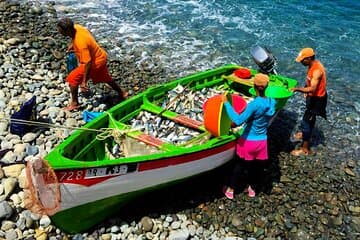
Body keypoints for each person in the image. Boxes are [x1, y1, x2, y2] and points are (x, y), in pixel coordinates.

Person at [221, 73, 276, 199]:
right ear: (266, 86)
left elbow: (238, 120)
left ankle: (230, 189)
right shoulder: (272, 102)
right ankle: (252, 188)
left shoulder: (254, 104)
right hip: (262, 142)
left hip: (248, 142)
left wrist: (226, 104)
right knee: (255, 167)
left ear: (254, 85)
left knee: (240, 166)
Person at [57, 18, 128, 111]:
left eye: (61, 30)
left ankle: (74, 103)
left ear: (68, 30)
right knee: (105, 77)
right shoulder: (77, 28)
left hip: (94, 63)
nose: (59, 32)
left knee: (72, 79)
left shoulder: (80, 43)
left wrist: (84, 81)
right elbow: (81, 38)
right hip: (101, 56)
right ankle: (122, 93)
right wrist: (73, 44)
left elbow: (88, 62)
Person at [291, 47, 327, 156]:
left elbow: (313, 88)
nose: (301, 62)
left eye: (302, 60)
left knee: (306, 123)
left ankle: (305, 149)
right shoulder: (312, 64)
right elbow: (310, 83)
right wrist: (306, 87)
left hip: (317, 101)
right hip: (313, 98)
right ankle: (304, 134)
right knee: (309, 120)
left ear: (309, 58)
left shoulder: (317, 70)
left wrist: (297, 89)